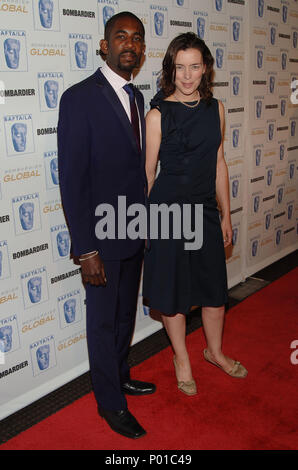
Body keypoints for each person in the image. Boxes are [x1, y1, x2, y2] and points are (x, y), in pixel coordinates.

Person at [58, 11, 155, 440]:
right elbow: (73, 179)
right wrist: (87, 249)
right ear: (104, 45)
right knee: (101, 322)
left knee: (124, 317)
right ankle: (110, 403)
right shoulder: (79, 98)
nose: (128, 44)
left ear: (142, 50)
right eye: (120, 37)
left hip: (134, 231)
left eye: (136, 38)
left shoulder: (137, 97)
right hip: (100, 239)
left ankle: (120, 375)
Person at [143, 32, 247, 396]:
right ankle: (182, 358)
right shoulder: (157, 114)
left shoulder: (215, 109)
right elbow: (148, 174)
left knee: (214, 292)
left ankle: (214, 352)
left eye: (195, 67)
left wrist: (226, 214)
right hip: (168, 213)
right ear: (171, 69)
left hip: (204, 210)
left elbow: (219, 162)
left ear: (206, 69)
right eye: (180, 67)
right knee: (173, 295)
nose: (187, 76)